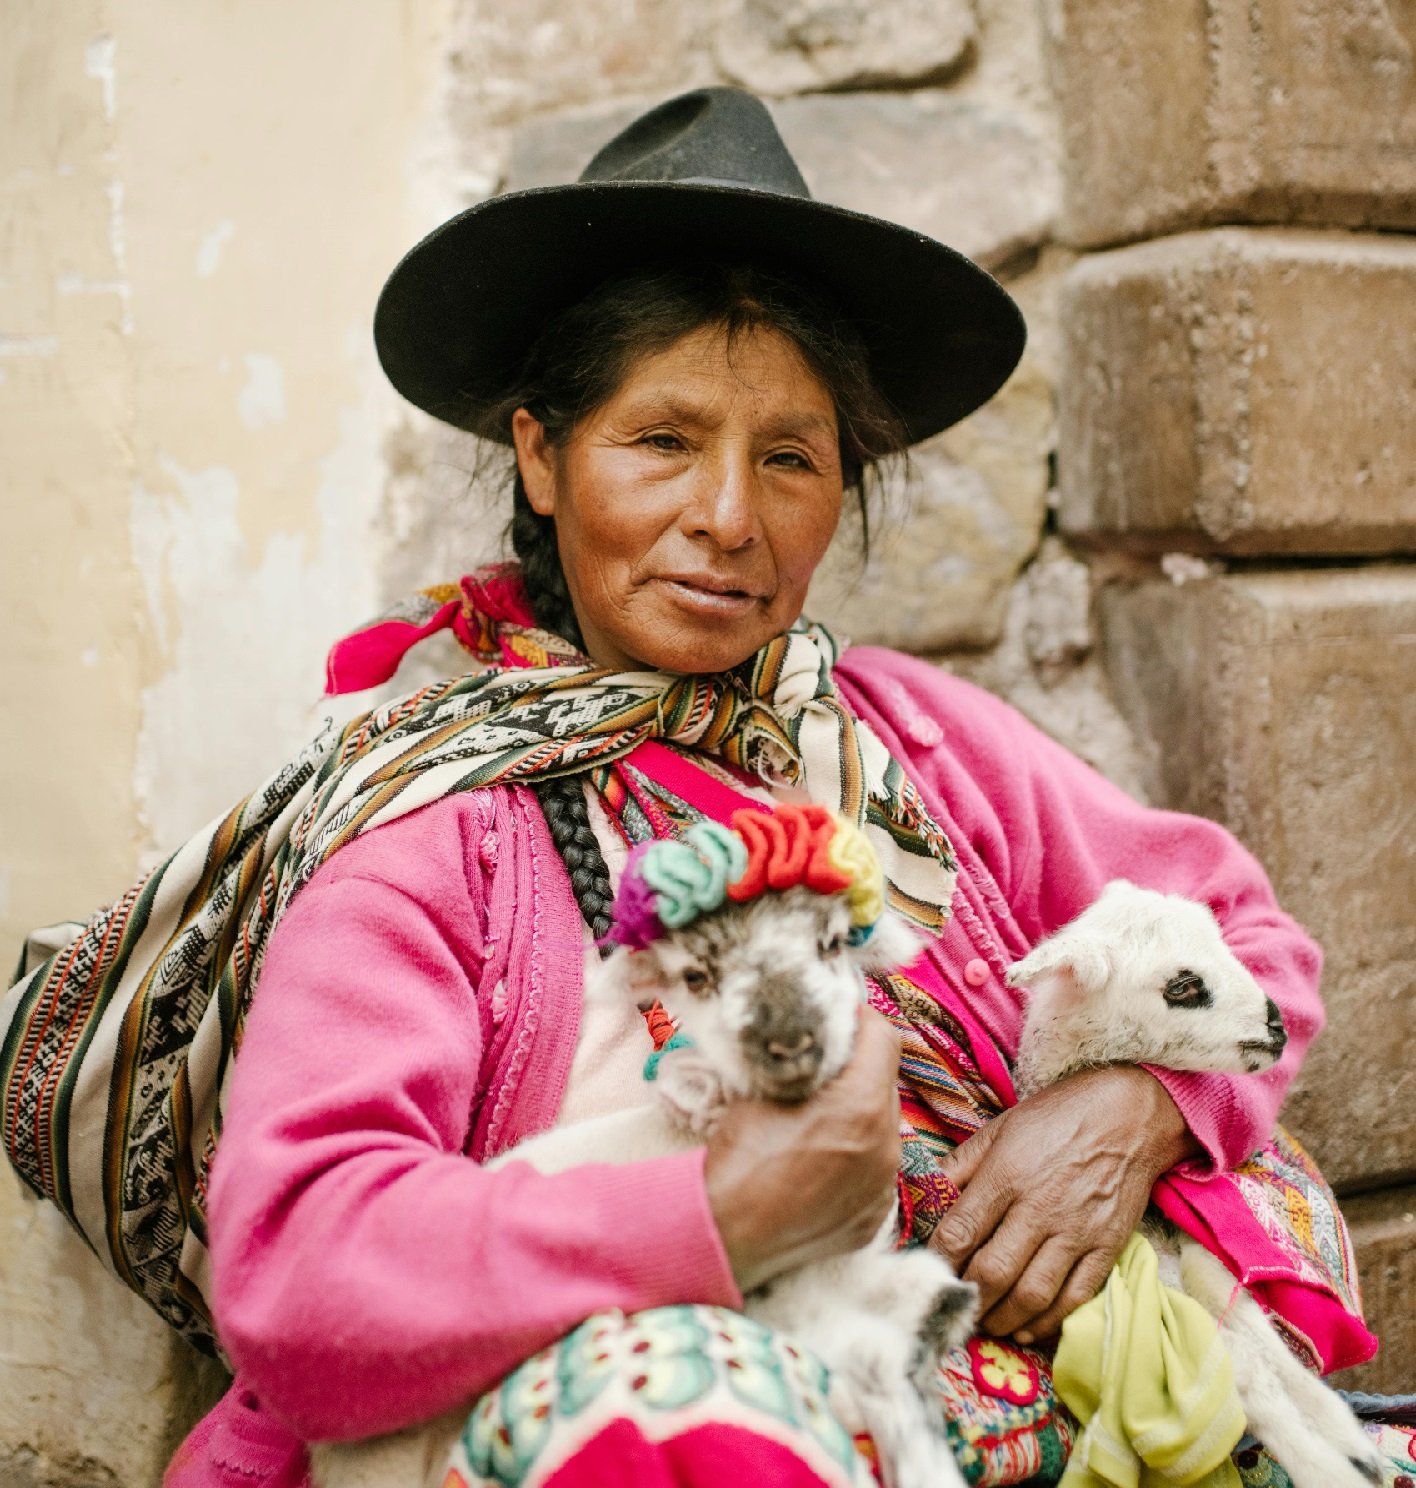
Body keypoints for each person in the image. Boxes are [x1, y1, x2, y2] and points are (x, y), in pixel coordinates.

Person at [157, 88, 1368, 1488]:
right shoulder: (443, 829)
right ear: (543, 456)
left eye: (789, 458)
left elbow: (1246, 944)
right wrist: (729, 1214)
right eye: (663, 441)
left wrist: (1133, 1111)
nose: (730, 519)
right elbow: (302, 1273)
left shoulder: (909, 737)